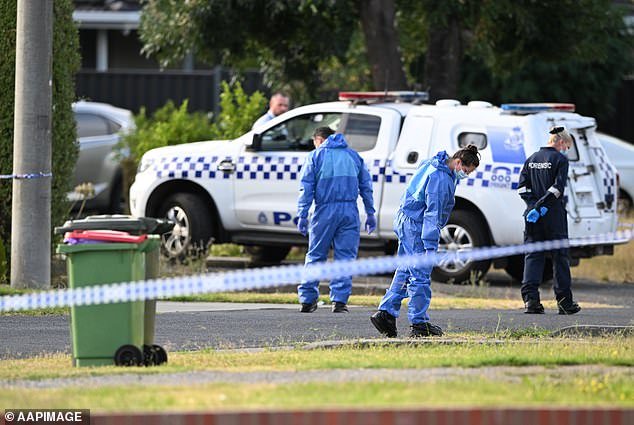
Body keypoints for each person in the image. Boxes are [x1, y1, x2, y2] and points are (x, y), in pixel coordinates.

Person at [370, 145, 480, 337]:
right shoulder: (441, 179)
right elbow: (432, 214)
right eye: (466, 170)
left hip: (405, 220)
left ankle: (386, 313)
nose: (466, 175)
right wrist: (430, 246)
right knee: (420, 274)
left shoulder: (433, 163)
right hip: (417, 226)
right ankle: (419, 324)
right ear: (458, 162)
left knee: (405, 269)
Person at [296, 127, 376, 313]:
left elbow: (306, 188)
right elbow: (366, 186)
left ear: (319, 139)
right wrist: (370, 212)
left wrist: (302, 214)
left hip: (324, 210)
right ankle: (339, 301)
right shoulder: (354, 156)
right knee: (345, 257)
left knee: (316, 255)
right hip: (349, 211)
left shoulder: (315, 156)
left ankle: (308, 300)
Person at [517, 126, 581, 315]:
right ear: (561, 142)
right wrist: (542, 206)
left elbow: (521, 188)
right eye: (566, 147)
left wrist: (533, 207)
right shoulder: (560, 160)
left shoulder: (531, 159)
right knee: (560, 258)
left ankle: (531, 301)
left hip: (532, 217)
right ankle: (564, 303)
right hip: (553, 216)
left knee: (533, 256)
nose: (565, 150)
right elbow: (557, 188)